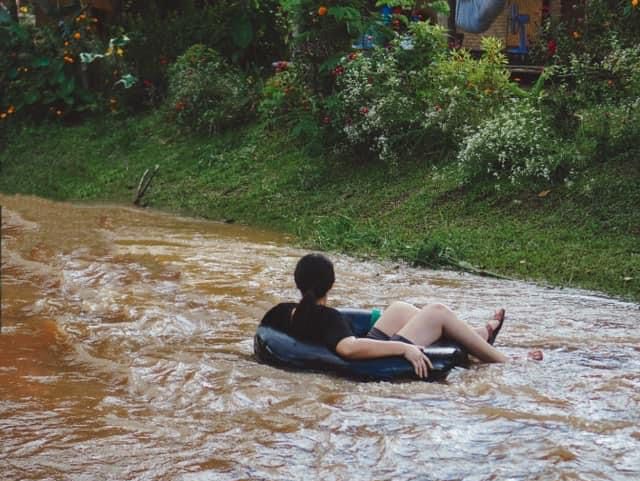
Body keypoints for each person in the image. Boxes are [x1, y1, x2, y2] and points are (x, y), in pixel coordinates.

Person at [260, 253, 516, 379]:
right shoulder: (328, 318)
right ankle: (506, 360)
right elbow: (349, 349)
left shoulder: (283, 311)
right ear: (331, 284)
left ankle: (475, 340)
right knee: (437, 312)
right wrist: (404, 350)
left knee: (399, 309)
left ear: (298, 282)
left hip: (356, 341)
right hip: (381, 357)